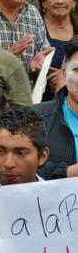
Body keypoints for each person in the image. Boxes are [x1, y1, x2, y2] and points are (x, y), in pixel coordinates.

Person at [33, 37, 78, 179]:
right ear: (64, 74)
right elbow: (14, 171)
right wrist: (67, 173)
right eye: (77, 70)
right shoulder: (35, 117)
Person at [39, 0, 78, 88]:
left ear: (74, 2)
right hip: (38, 99)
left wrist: (66, 76)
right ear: (43, 2)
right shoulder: (34, 27)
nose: (60, 1)